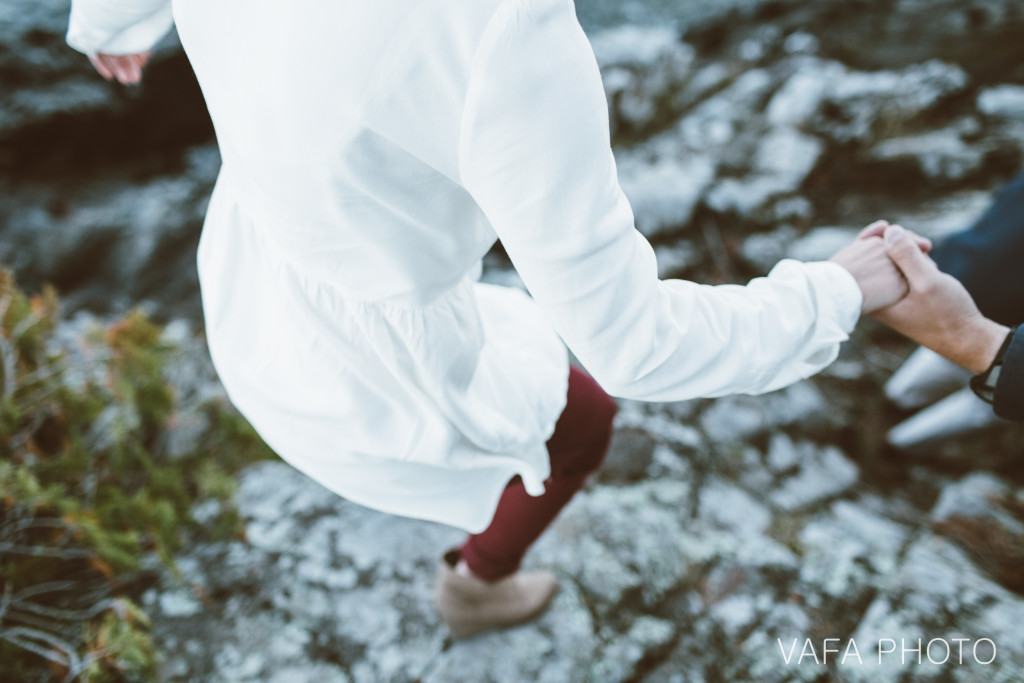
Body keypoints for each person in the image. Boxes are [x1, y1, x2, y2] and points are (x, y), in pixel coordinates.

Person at [66, 0, 914, 638]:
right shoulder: (505, 33)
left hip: (252, 252)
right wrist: (833, 293)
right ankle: (475, 587)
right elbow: (635, 346)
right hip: (368, 328)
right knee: (582, 424)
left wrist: (109, 19)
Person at [881, 172, 1024, 445]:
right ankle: (900, 442)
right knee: (983, 404)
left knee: (938, 353)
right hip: (1004, 328)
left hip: (959, 278)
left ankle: (894, 404)